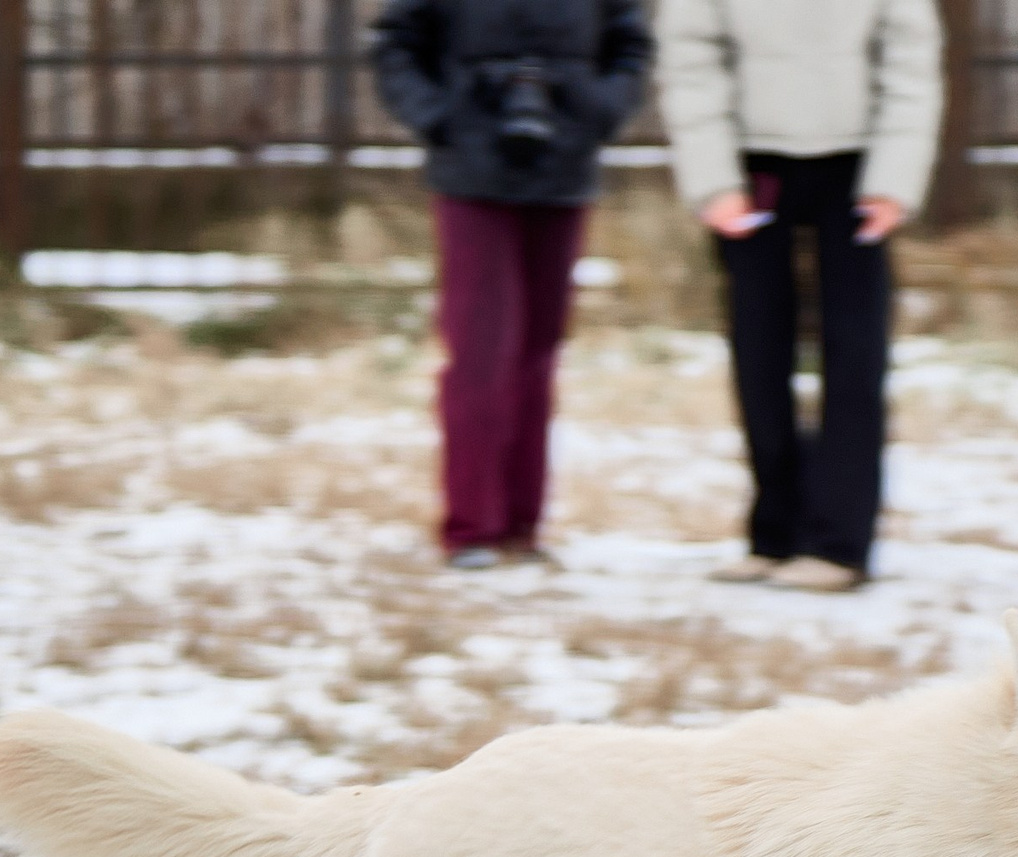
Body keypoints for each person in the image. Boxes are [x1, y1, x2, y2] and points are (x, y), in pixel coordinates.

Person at [659, 0, 943, 593]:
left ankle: (839, 544)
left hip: (859, 167)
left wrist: (892, 180)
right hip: (751, 166)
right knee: (758, 348)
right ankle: (775, 536)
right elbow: (691, 62)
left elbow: (910, 63)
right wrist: (714, 181)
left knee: (856, 354)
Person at [372, 0, 654, 569]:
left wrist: (597, 109)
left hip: (565, 163)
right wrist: (440, 117)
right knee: (479, 349)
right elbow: (394, 44)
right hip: (472, 169)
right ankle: (472, 525)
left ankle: (523, 524)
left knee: (538, 351)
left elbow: (631, 45)